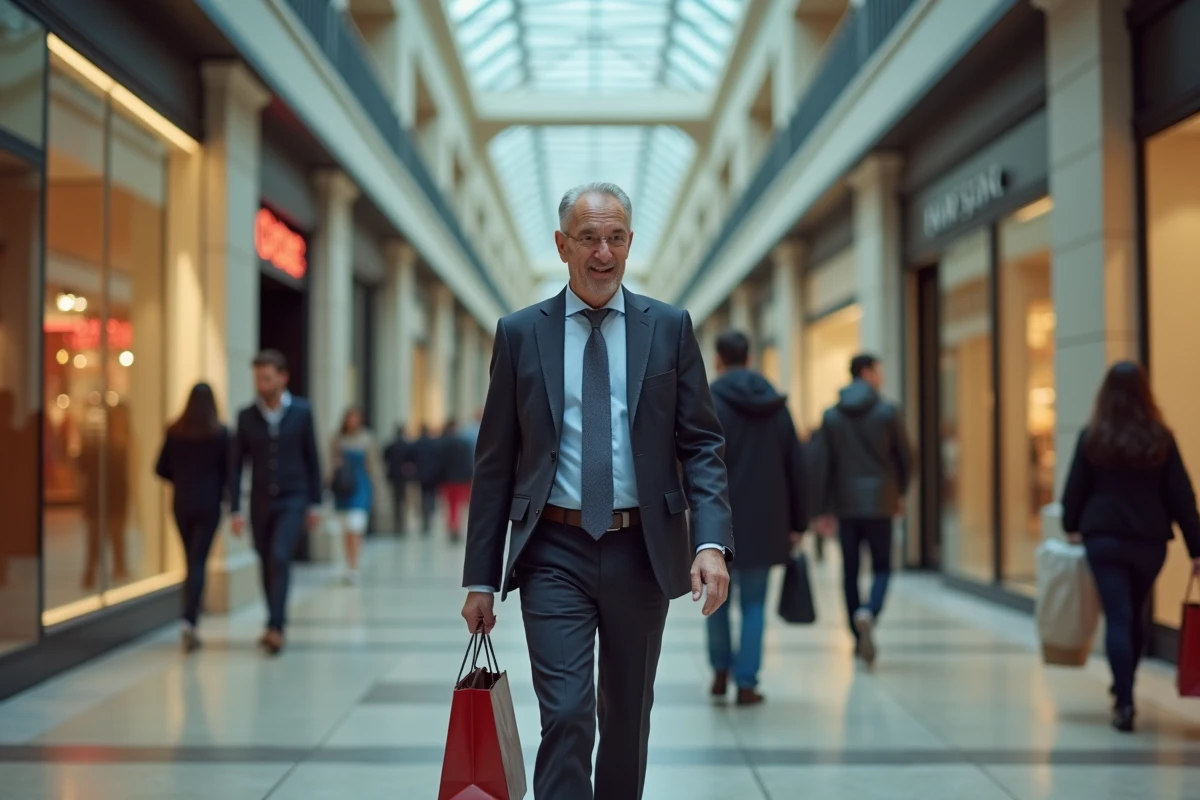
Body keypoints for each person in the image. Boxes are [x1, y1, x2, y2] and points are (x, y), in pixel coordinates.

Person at [461, 182, 733, 800]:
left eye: (615, 238)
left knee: (628, 717)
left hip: (643, 550)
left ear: (631, 243)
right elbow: (495, 462)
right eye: (588, 238)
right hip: (554, 550)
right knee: (565, 714)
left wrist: (711, 542)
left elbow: (702, 446)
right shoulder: (519, 333)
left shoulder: (669, 327)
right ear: (562, 245)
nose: (603, 252)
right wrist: (480, 575)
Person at [1060, 360, 1200, 733]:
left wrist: (1070, 526)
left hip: (1103, 540)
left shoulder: (1093, 436)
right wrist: (1195, 547)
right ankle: (1125, 683)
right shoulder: (1160, 438)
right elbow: (1181, 496)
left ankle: (1124, 700)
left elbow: (1074, 491)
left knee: (1118, 615)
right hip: (1149, 542)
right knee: (1135, 612)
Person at [707, 330, 807, 705]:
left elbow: (689, 460)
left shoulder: (709, 400)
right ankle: (746, 682)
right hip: (767, 519)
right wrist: (798, 523)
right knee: (754, 603)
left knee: (715, 599)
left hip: (718, 519)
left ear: (718, 359)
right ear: (750, 359)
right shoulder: (774, 403)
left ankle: (720, 671)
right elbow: (795, 465)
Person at [811, 353, 912, 666]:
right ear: (866, 372)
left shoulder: (831, 415)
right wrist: (900, 493)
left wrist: (823, 509)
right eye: (878, 372)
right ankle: (870, 612)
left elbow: (822, 465)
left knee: (850, 571)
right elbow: (906, 457)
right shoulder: (888, 411)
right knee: (882, 566)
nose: (881, 378)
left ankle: (857, 637)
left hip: (845, 504)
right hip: (881, 500)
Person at [229, 350, 322, 656]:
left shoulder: (302, 411)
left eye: (267, 377)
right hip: (260, 501)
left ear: (283, 378)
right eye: (257, 378)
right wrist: (235, 509)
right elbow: (236, 464)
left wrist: (315, 504)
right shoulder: (246, 416)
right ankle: (273, 621)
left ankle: (276, 626)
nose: (261, 383)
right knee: (266, 559)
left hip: (294, 498)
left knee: (280, 556)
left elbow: (312, 457)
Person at [154, 383, 230, 652]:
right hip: (209, 503)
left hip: (182, 502)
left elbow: (160, 468)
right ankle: (191, 619)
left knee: (190, 560)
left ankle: (190, 614)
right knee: (199, 561)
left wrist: (182, 478)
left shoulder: (175, 432)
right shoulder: (220, 434)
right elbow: (228, 472)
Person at [80, 401, 131, 590]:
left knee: (111, 539)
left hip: (108, 500)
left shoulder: (117, 446)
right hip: (102, 500)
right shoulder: (105, 446)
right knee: (98, 540)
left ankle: (111, 569)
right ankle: (92, 573)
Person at [330, 407, 384, 584]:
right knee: (346, 528)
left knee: (356, 526)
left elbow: (373, 465)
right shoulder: (338, 439)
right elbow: (330, 464)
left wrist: (377, 488)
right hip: (343, 488)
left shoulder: (367, 438)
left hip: (360, 486)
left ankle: (354, 564)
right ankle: (349, 562)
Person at [438, 419, 474, 541]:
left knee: (450, 505)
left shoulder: (442, 444)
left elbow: (440, 464)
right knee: (460, 505)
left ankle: (453, 527)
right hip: (462, 480)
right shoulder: (465, 444)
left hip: (447, 480)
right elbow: (469, 462)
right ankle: (457, 527)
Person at [409, 424, 440, 533]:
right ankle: (430, 511)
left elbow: (410, 458)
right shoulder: (434, 444)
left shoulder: (417, 444)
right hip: (432, 474)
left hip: (421, 474)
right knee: (431, 494)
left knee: (423, 495)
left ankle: (425, 514)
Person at [383, 424, 413, 534]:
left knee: (396, 500)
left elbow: (385, 458)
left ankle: (398, 523)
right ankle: (402, 523)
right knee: (403, 500)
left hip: (393, 475)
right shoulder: (406, 445)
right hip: (403, 476)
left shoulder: (391, 445)